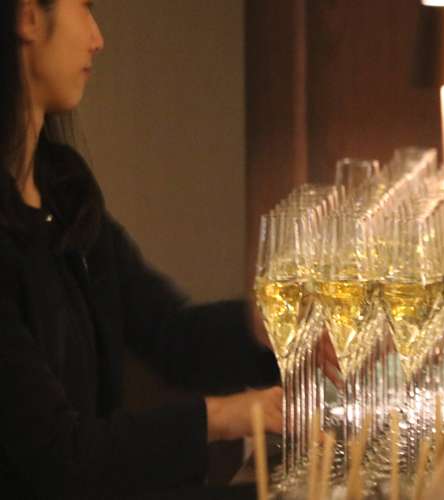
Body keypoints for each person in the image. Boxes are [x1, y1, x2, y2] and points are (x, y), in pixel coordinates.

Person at [0, 0, 284, 498]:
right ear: (28, 16)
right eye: (85, 7)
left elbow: (170, 333)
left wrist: (281, 332)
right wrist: (230, 415)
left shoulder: (63, 193)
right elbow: (60, 458)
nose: (97, 38)